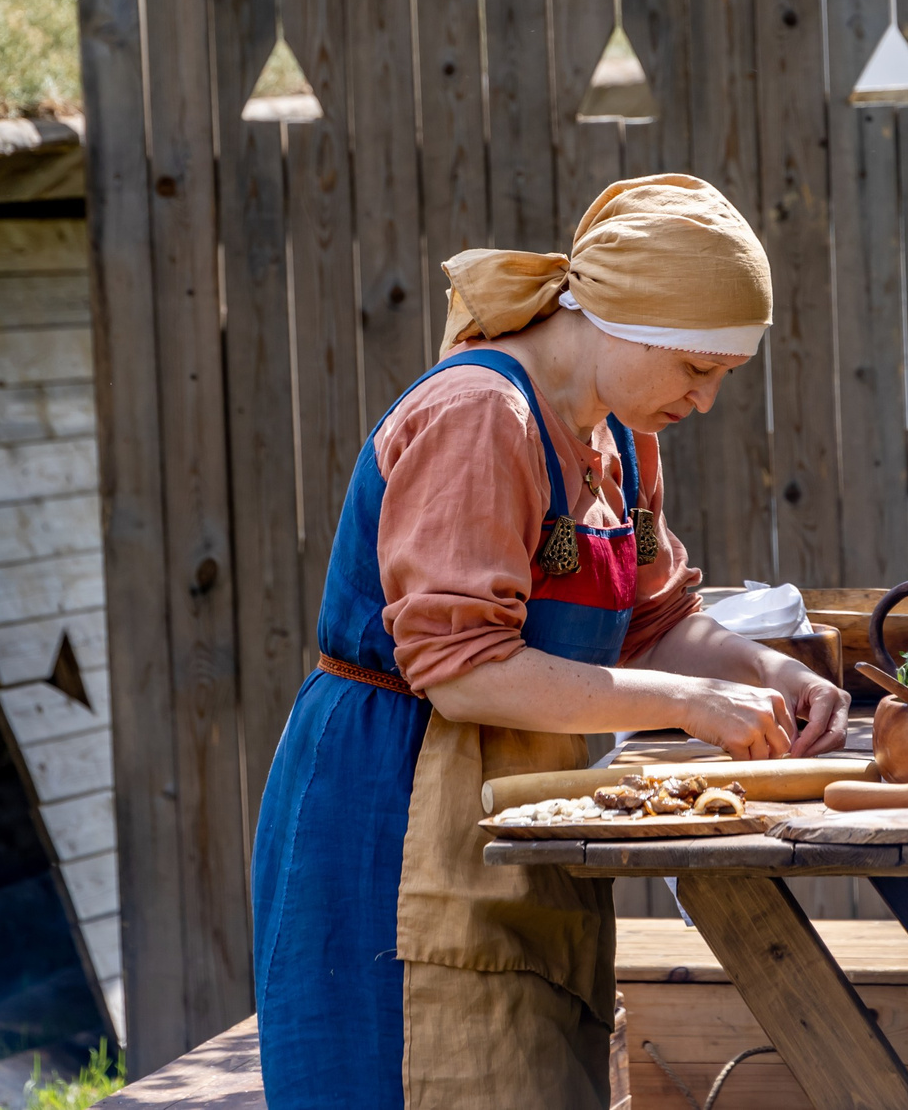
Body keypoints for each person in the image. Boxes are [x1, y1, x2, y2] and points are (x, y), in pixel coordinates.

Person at [252, 174, 850, 1110]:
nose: (705, 400)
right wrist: (690, 704)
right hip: (396, 809)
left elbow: (654, 621)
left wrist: (772, 670)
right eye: (695, 369)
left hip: (521, 804)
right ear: (621, 317)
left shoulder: (618, 435)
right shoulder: (483, 414)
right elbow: (463, 670)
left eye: (722, 376)